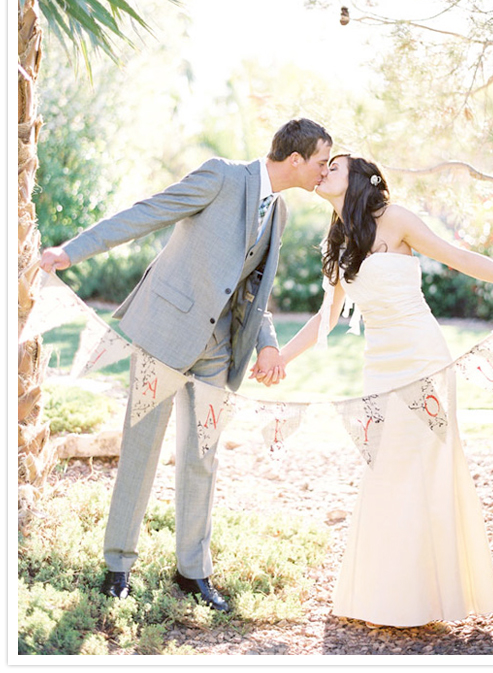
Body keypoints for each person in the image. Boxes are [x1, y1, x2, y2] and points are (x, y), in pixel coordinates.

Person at [39, 118, 332, 610]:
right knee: (141, 451)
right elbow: (149, 212)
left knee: (203, 458)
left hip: (217, 351)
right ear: (296, 159)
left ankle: (192, 573)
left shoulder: (276, 211)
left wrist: (266, 344)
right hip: (166, 335)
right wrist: (73, 251)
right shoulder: (221, 176)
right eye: (322, 162)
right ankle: (117, 566)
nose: (325, 172)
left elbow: (254, 290)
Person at [276, 154, 493, 628]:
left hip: (424, 358)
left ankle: (434, 597)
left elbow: (457, 257)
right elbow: (327, 317)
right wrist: (281, 358)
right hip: (379, 368)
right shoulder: (339, 243)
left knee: (428, 466)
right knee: (386, 469)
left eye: (334, 167)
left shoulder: (395, 219)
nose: (324, 172)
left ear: (359, 179)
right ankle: (385, 596)